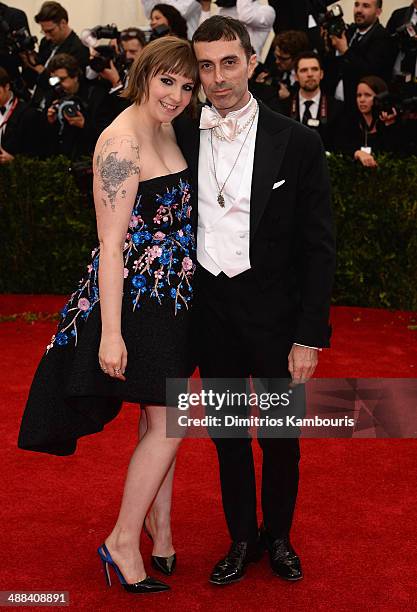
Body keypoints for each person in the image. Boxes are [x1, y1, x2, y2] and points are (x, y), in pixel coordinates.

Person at [18, 36, 199, 594]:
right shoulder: (119, 143)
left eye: (187, 85)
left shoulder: (166, 126)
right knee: (173, 418)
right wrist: (112, 335)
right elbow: (111, 245)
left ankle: (159, 529)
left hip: (174, 300)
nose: (177, 95)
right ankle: (123, 540)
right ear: (144, 74)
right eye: (167, 80)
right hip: (135, 301)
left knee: (157, 417)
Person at [175, 15, 335, 584]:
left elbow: (319, 247)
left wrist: (309, 334)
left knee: (280, 439)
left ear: (253, 61)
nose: (218, 77)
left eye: (229, 62)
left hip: (274, 317)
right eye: (206, 65)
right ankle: (241, 538)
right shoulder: (177, 136)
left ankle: (280, 536)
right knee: (227, 439)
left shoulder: (298, 141)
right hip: (209, 314)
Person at [323, 0, 396, 109]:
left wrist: (345, 51)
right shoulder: (349, 31)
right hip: (335, 103)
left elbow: (369, 71)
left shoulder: (383, 37)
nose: (359, 10)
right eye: (356, 5)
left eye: (366, 6)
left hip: (360, 107)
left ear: (378, 12)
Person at [21, 1, 89, 109]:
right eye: (44, 32)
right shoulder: (46, 42)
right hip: (36, 102)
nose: (47, 37)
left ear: (63, 23)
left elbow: (66, 85)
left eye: (50, 31)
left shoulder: (79, 49)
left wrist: (39, 69)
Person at [280, 51, 346, 152]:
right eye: (304, 70)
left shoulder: (337, 108)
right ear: (296, 77)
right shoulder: (282, 108)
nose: (310, 74)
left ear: (321, 74)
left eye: (314, 69)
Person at [342, 75, 405, 166]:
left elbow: (396, 156)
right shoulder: (350, 122)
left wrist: (389, 125)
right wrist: (357, 153)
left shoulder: (391, 123)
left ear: (380, 98)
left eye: (367, 95)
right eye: (359, 95)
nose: (362, 100)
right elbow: (340, 146)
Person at [0, 66, 43, 162]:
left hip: (14, 173)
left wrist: (13, 160)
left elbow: (35, 155)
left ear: (6, 87)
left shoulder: (28, 114)